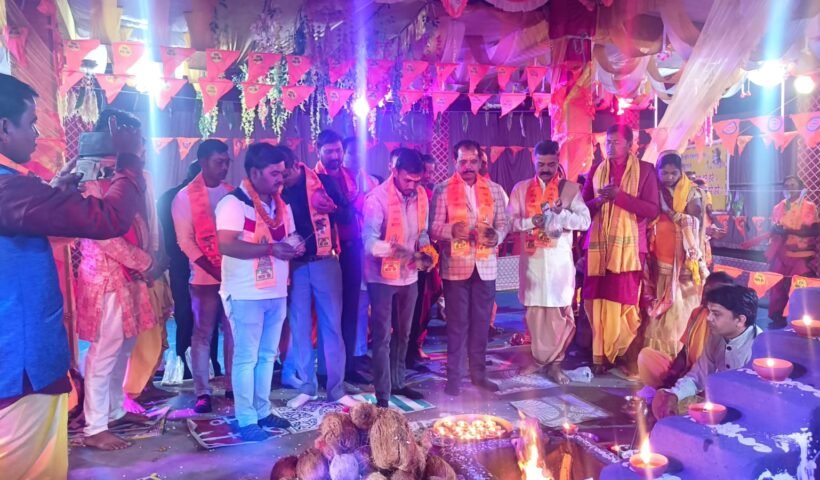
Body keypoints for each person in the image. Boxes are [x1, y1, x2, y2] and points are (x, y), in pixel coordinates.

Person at [0, 73, 144, 477]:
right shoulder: (11, 190)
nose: (36, 133)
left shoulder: (16, 190)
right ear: (3, 127)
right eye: (31, 123)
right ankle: (98, 422)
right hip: (18, 365)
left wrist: (52, 192)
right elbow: (110, 219)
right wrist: (128, 160)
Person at [74, 110, 161, 451]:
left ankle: (113, 411)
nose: (140, 146)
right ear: (116, 136)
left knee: (124, 345)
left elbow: (144, 222)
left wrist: (150, 260)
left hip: (132, 276)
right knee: (105, 351)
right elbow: (104, 235)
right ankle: (95, 427)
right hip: (106, 278)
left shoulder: (130, 174)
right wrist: (146, 262)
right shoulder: (89, 176)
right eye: (134, 138)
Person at [215, 143, 298, 441]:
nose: (280, 178)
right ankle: (246, 417)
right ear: (254, 172)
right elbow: (226, 245)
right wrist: (271, 249)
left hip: (276, 290)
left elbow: (288, 237)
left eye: (282, 173)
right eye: (274, 173)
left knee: (267, 356)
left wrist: (294, 246)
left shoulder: (281, 205)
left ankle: (263, 411)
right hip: (246, 293)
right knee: (246, 358)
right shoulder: (233, 203)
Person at [280, 145, 359, 408]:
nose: (282, 179)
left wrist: (332, 207)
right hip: (295, 266)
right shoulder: (278, 190)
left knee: (332, 327)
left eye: (285, 173)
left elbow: (348, 215)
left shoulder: (323, 182)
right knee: (300, 327)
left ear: (295, 164)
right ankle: (307, 386)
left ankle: (336, 389)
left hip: (326, 261)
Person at [507, 141, 591, 384]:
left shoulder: (569, 190)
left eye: (551, 164)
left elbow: (585, 221)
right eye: (541, 164)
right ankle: (537, 360)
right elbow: (511, 222)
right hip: (532, 263)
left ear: (557, 162)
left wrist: (561, 214)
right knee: (535, 314)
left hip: (558, 264)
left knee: (559, 315)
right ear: (533, 161)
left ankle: (556, 364)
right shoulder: (521, 189)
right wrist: (531, 222)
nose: (545, 169)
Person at [431, 140, 509, 396]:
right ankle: (454, 378)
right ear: (454, 163)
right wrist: (452, 230)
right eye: (462, 162)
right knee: (457, 324)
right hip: (456, 266)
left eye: (473, 161)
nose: (468, 167)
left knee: (481, 324)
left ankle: (479, 375)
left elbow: (504, 224)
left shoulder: (495, 190)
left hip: (485, 266)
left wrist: (496, 236)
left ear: (480, 162)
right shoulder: (442, 189)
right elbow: (433, 229)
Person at [582, 124, 660, 373]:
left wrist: (620, 197)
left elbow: (652, 209)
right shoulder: (597, 169)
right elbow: (582, 208)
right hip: (598, 248)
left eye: (616, 142)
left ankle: (622, 353)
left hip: (630, 249)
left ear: (629, 144)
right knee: (596, 299)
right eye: (607, 142)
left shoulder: (645, 170)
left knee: (624, 300)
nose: (610, 146)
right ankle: (600, 356)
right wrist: (599, 200)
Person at [363, 148, 432, 407]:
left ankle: (398, 382)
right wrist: (393, 249)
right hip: (381, 277)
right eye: (407, 180)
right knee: (383, 336)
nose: (412, 186)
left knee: (404, 333)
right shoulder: (376, 199)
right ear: (394, 172)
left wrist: (425, 251)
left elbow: (422, 232)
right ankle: (383, 394)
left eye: (417, 181)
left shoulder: (421, 195)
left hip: (409, 276)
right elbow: (368, 242)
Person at [172, 140, 235, 413]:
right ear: (202, 162)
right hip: (203, 279)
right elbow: (185, 242)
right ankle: (202, 391)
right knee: (202, 333)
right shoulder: (184, 197)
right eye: (219, 162)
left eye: (227, 162)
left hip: (232, 276)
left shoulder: (232, 194)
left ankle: (233, 385)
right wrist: (213, 269)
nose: (224, 167)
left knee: (233, 332)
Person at [652, 285, 761, 419]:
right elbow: (699, 375)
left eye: (716, 314)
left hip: (748, 413)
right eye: (709, 312)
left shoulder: (759, 348)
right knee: (664, 403)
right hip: (719, 403)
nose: (708, 318)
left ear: (740, 320)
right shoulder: (717, 337)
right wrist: (674, 394)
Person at [314, 131, 372, 384]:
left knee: (350, 309)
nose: (335, 156)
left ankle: (348, 367)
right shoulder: (312, 180)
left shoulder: (349, 177)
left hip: (352, 249)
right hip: (325, 252)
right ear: (318, 151)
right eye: (329, 151)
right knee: (327, 313)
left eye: (338, 150)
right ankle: (325, 370)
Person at [643, 152, 708, 359]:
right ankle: (658, 355)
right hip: (659, 253)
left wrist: (669, 211)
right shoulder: (653, 189)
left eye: (674, 173)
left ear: (681, 172)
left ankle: (681, 351)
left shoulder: (691, 192)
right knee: (659, 299)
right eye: (664, 172)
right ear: (657, 171)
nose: (669, 177)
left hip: (684, 257)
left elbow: (694, 218)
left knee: (681, 303)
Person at [637, 271, 734, 388]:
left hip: (709, 378)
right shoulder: (697, 313)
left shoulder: (728, 322)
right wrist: (673, 373)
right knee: (646, 357)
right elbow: (684, 351)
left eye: (711, 293)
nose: (704, 295)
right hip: (689, 371)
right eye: (705, 290)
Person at [344, 137, 381, 368]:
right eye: (351, 153)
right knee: (352, 303)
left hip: (367, 250)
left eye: (360, 152)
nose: (356, 158)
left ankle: (360, 351)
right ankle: (349, 355)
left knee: (365, 300)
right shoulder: (338, 181)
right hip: (346, 249)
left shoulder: (371, 182)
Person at [767, 175, 819, 325]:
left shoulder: (810, 207)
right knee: (777, 283)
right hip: (781, 252)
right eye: (786, 185)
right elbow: (773, 227)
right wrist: (775, 230)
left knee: (800, 285)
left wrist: (794, 232)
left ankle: (799, 316)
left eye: (792, 185)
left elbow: (816, 230)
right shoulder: (777, 207)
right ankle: (777, 315)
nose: (789, 188)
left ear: (800, 188)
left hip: (802, 254)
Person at [407, 153, 442, 368]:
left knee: (422, 303)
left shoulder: (426, 194)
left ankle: (414, 347)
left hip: (424, 256)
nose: (427, 176)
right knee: (404, 309)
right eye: (424, 171)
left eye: (430, 172)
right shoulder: (391, 194)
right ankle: (402, 354)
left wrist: (427, 249)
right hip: (400, 261)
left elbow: (425, 230)